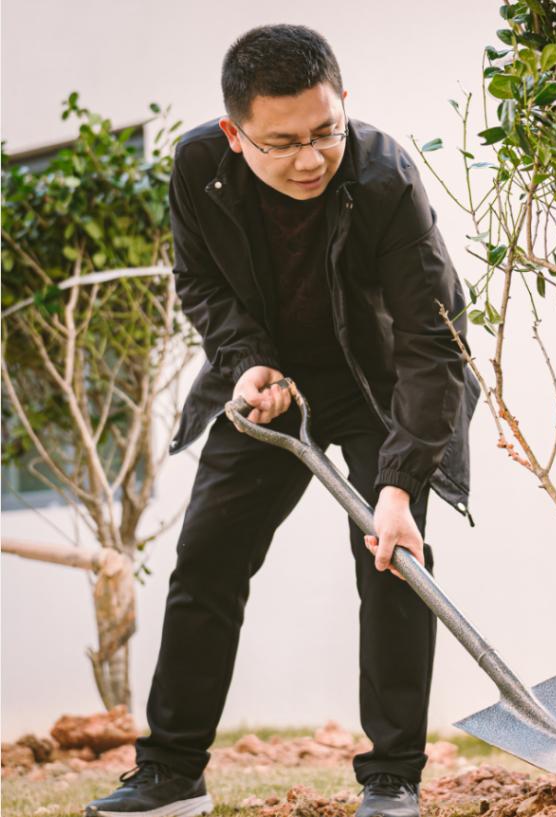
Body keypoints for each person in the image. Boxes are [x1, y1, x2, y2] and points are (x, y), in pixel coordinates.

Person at [83, 23, 479, 817]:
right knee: (206, 558)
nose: (311, 159)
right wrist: (246, 362)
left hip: (379, 385)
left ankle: (393, 779)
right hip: (273, 385)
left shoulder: (385, 176)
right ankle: (171, 773)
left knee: (393, 562)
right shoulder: (200, 167)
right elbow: (200, 283)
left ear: (344, 104)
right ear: (236, 134)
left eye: (326, 131)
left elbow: (433, 340)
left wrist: (400, 485)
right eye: (284, 142)